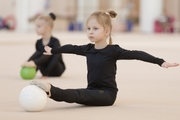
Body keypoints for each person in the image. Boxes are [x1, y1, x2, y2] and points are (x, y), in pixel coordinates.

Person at [30, 10, 179, 106]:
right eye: (88, 28)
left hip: (107, 94)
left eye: (95, 29)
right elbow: (71, 48)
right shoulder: (88, 49)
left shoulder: (113, 51)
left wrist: (161, 62)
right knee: (82, 93)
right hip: (92, 90)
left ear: (107, 31)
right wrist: (54, 50)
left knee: (80, 95)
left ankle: (51, 90)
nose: (90, 32)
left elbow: (137, 54)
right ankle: (49, 91)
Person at [22, 13, 65, 79]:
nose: (35, 29)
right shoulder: (38, 42)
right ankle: (29, 63)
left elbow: (55, 59)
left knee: (48, 52)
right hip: (44, 69)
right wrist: (31, 68)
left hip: (56, 69)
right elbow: (36, 56)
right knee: (39, 52)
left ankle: (32, 63)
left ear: (47, 28)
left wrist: (46, 73)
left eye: (38, 26)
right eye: (36, 26)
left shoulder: (55, 41)